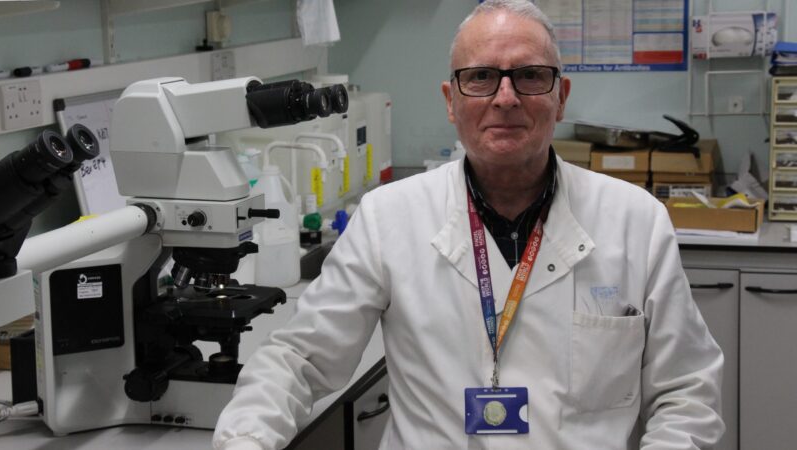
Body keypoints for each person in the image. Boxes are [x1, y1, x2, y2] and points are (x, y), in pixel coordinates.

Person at [213, 1, 725, 449]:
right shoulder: (389, 218)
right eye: (480, 77)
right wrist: (246, 440)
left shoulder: (635, 222)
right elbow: (299, 359)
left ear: (561, 95)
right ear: (450, 100)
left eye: (529, 76)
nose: (505, 98)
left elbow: (686, 390)